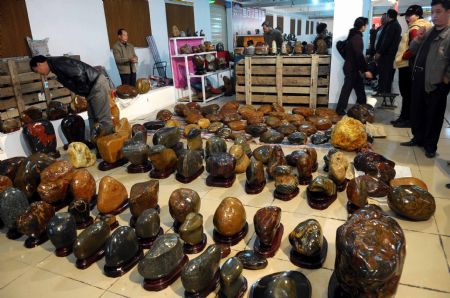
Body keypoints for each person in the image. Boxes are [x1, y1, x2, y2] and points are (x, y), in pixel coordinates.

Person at [400, 0, 450, 158]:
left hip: (436, 83)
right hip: (419, 78)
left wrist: (445, 80)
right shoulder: (428, 31)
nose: (434, 16)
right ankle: (418, 138)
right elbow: (412, 51)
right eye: (433, 12)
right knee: (417, 111)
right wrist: (419, 38)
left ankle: (430, 146)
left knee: (434, 116)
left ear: (448, 12)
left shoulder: (448, 35)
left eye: (438, 12)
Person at [30, 55, 113, 135]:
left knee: (102, 119)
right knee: (93, 117)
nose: (40, 74)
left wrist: (82, 90)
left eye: (37, 71)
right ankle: (97, 143)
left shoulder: (58, 63)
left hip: (95, 85)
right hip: (91, 87)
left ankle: (110, 144)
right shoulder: (55, 65)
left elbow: (79, 73)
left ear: (39, 64)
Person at [392, 5, 432, 128]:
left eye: (410, 15)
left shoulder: (415, 28)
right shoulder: (423, 26)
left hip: (408, 66)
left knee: (408, 94)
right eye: (407, 16)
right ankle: (404, 117)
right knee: (408, 94)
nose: (407, 18)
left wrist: (404, 56)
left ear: (418, 15)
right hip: (413, 66)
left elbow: (415, 48)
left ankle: (407, 119)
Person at [335, 17, 373, 116]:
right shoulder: (357, 37)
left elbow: (342, 47)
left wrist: (348, 59)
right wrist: (365, 70)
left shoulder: (353, 35)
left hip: (352, 68)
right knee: (347, 90)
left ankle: (363, 109)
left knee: (359, 89)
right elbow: (358, 55)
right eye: (365, 25)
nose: (366, 27)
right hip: (352, 69)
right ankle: (340, 110)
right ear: (362, 26)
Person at [374, 9, 401, 94]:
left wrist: (379, 52)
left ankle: (383, 93)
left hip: (387, 55)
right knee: (386, 75)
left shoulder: (392, 25)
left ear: (389, 16)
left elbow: (386, 41)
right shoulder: (393, 25)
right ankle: (383, 92)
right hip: (388, 55)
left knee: (385, 75)